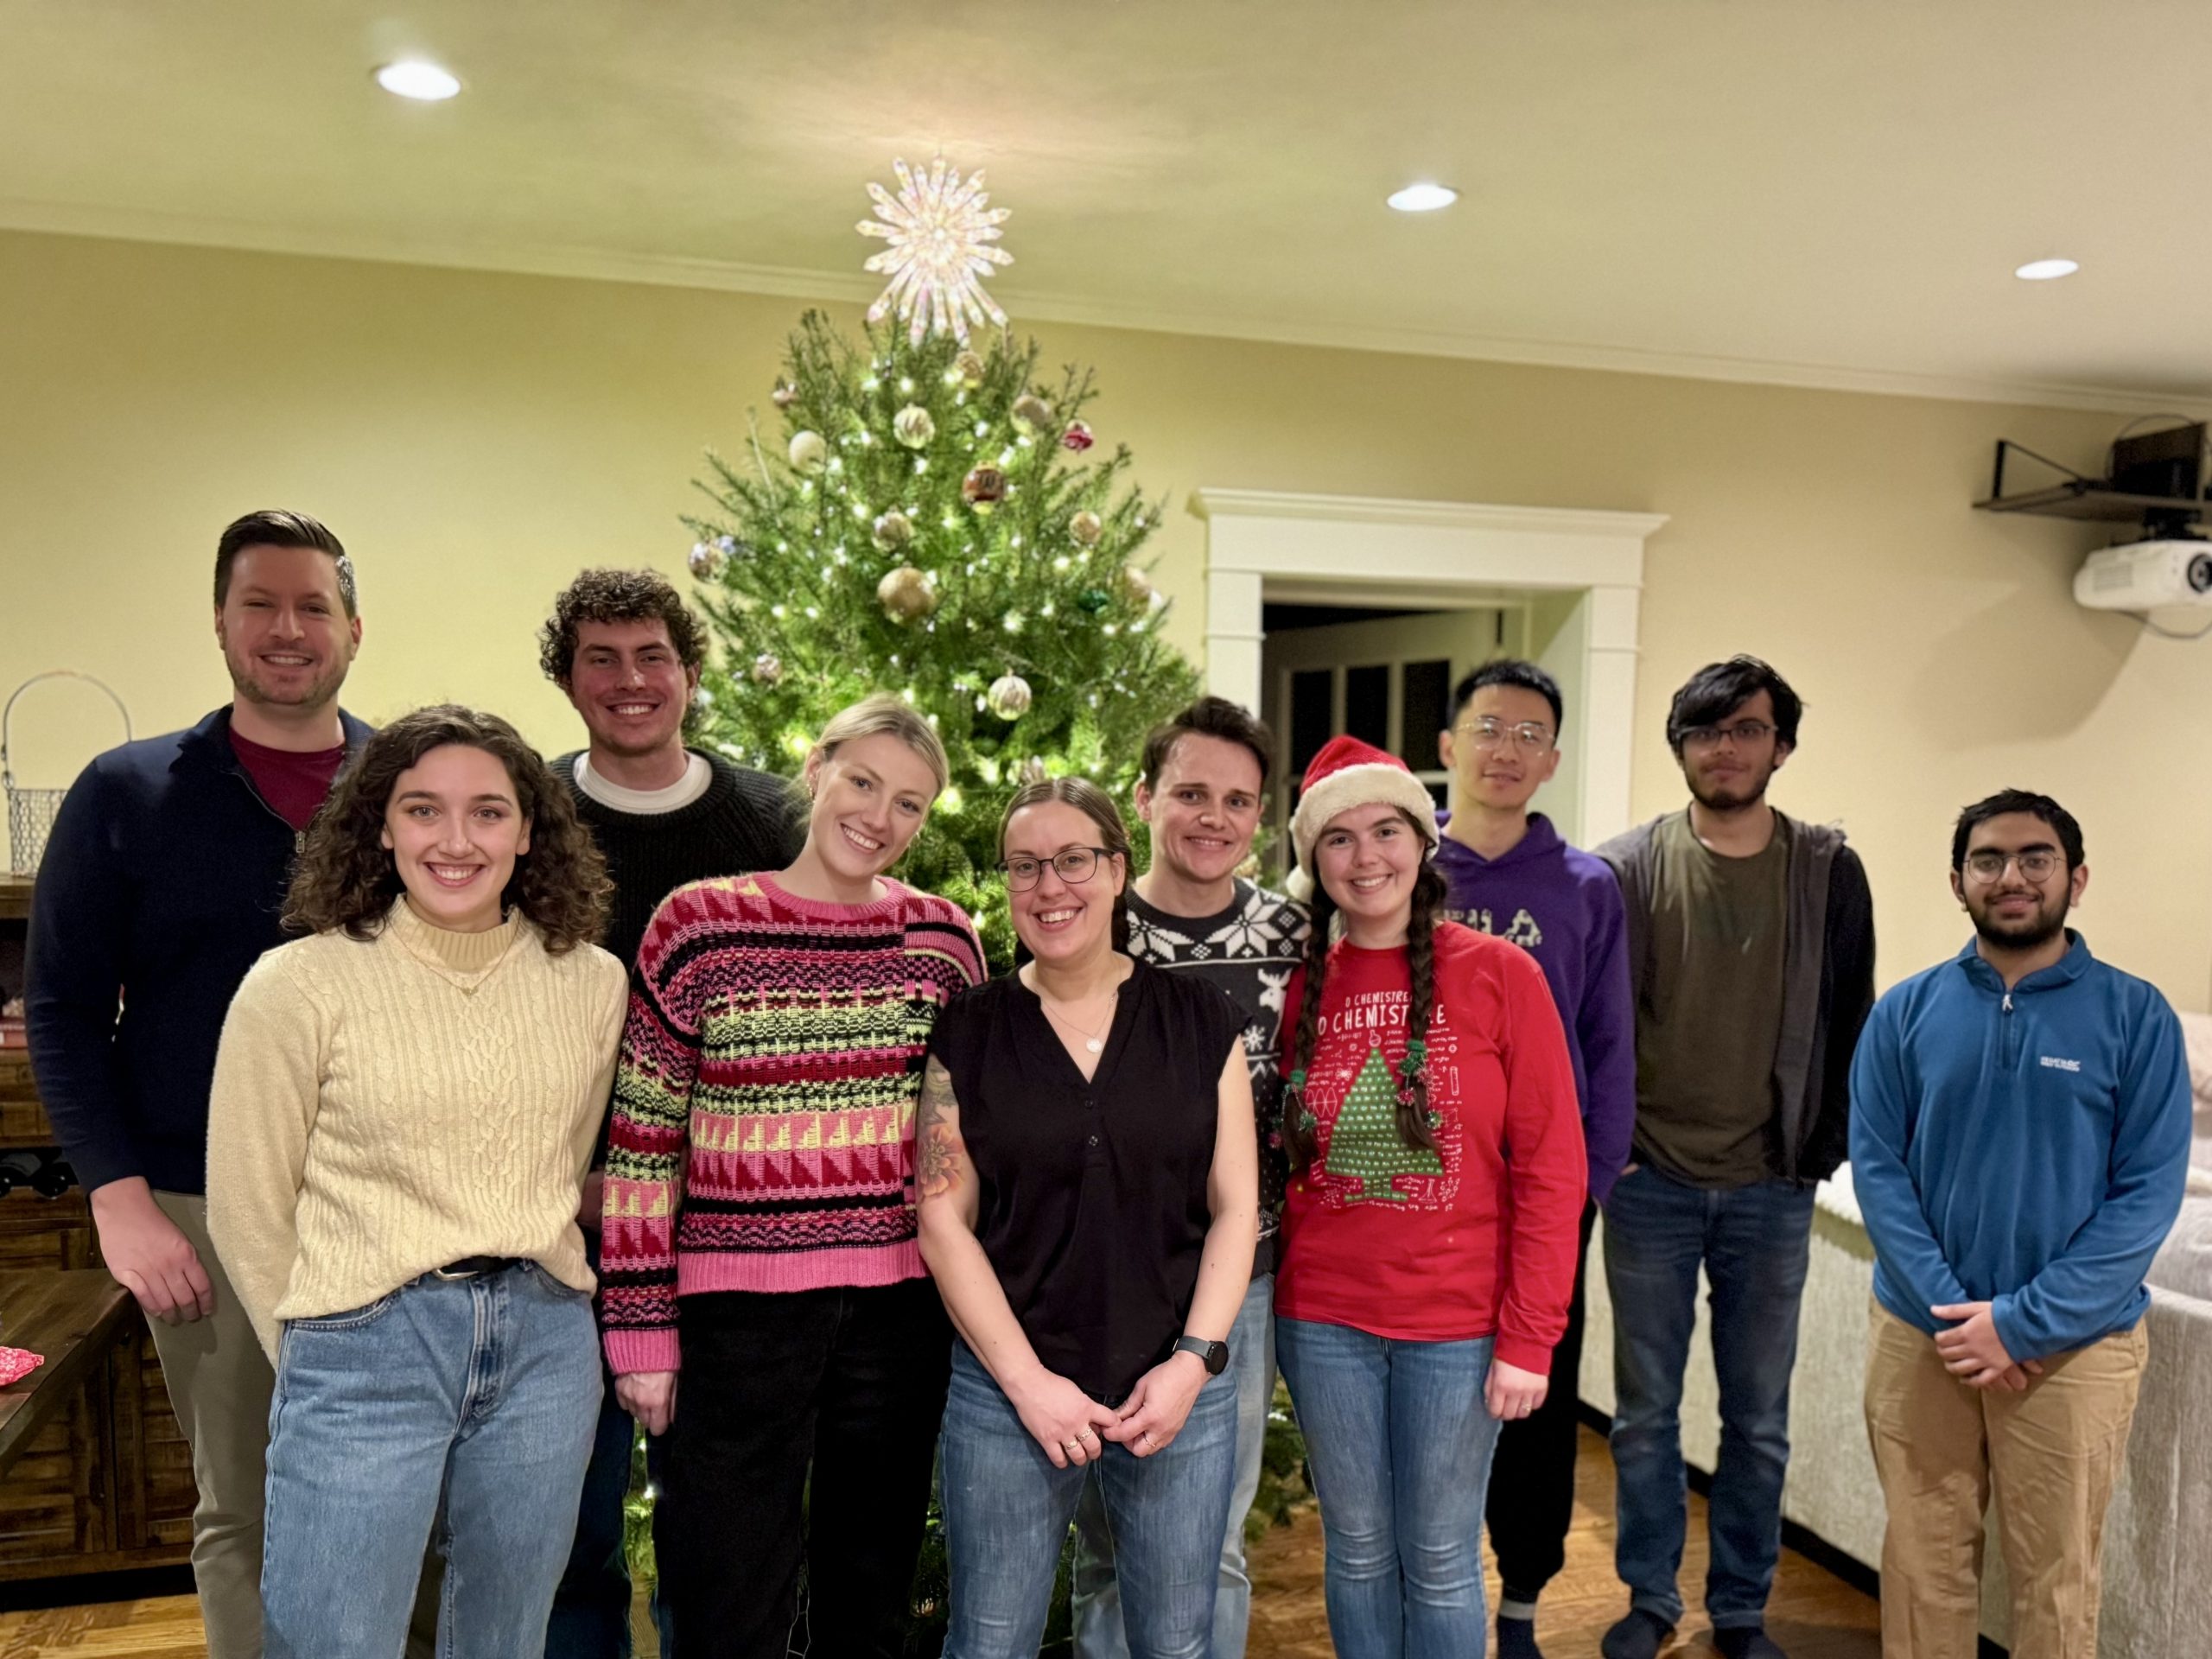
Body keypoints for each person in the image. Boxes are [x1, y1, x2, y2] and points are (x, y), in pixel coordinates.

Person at [205, 705, 626, 1659]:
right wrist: (320, 1350)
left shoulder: (592, 981)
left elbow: (557, 1165)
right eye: (423, 809)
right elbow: (246, 1200)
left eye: (487, 812)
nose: (455, 839)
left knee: (509, 1636)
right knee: (331, 1640)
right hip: (364, 1341)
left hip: (546, 1346)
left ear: (527, 832)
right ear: (380, 824)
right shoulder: (298, 983)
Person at [24, 509, 368, 1659]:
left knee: (402, 1495)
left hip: (386, 1201)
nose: (287, 628)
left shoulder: (409, 792)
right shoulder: (126, 793)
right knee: (249, 1505)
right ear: (219, 622)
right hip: (197, 1203)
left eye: (312, 604)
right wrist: (119, 1204)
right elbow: (66, 1012)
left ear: (353, 630)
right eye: (259, 603)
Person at [599, 696, 984, 1659]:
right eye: (862, 782)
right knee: (725, 1593)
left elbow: (961, 1142)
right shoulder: (699, 925)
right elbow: (642, 1141)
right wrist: (639, 1325)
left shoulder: (944, 944)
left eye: (910, 804)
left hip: (898, 1317)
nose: (879, 817)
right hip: (733, 1319)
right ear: (815, 769)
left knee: (871, 1588)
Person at [919, 778, 1258, 1659]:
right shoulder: (969, 1029)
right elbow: (941, 1219)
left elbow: (1234, 1209)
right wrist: (1029, 1385)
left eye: (1073, 860)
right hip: (1008, 1393)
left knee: (1177, 1644)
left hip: (1172, 1394)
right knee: (990, 1642)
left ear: (1116, 869)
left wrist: (1192, 1365)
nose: (1048, 887)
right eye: (1025, 867)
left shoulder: (1198, 1019)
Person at [1851, 790, 2188, 1659]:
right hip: (1923, 1337)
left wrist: (2021, 1322)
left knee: (2057, 1581)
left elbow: (2146, 1193)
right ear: (1956, 880)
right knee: (1923, 1571)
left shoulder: (2136, 1016)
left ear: (2075, 879)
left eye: (2034, 858)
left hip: (2074, 1351)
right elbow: (1880, 1171)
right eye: (1988, 859)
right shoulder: (1904, 1011)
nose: (2011, 877)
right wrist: (1954, 1316)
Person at [1272, 734, 1586, 1659]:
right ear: (1312, 858)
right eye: (1338, 839)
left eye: (1385, 832)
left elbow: (1551, 1168)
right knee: (1359, 1548)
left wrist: (1531, 1337)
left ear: (1421, 842)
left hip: (1459, 1328)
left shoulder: (1500, 974)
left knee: (1442, 1555)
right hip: (1321, 1320)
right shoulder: (1292, 989)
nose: (1365, 858)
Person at [537, 568, 799, 1659]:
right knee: (569, 1533)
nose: (629, 680)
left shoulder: (775, 819)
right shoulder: (527, 815)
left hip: (720, 1237)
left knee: (719, 1534)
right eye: (600, 657)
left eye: (651, 655)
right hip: (560, 1228)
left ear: (689, 673)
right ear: (566, 678)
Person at [1594, 655, 1875, 1659]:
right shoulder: (1623, 868)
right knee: (1643, 1417)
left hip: (1771, 1189)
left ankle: (1741, 1609)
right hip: (1651, 1185)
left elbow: (1852, 1015)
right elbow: (1594, 1025)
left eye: (1747, 729)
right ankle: (1649, 1599)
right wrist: (1609, 1148)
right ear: (1681, 747)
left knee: (1757, 1419)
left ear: (1780, 747)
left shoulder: (1826, 869)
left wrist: (1818, 1151)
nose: (1726, 748)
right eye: (1707, 731)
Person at [1071, 696, 1308, 1659]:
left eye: (1239, 800)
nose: (1215, 817)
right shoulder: (1082, 925)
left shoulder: (1295, 940)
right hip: (1097, 1284)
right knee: (1103, 1547)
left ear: (1261, 816)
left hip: (1236, 1282)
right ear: (1144, 798)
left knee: (1210, 1543)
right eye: (1191, 793)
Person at [1433, 660, 1634, 1659]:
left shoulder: (1586, 887)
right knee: (1433, 1388)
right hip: (1416, 1197)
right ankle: (1426, 1593)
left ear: (1551, 759)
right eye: (1487, 727)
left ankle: (1518, 1603)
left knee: (1537, 1396)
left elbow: (1610, 1045)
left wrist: (1588, 1185)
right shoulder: (1394, 864)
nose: (1505, 749)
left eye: (1527, 735)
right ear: (1447, 748)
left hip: (1544, 1199)